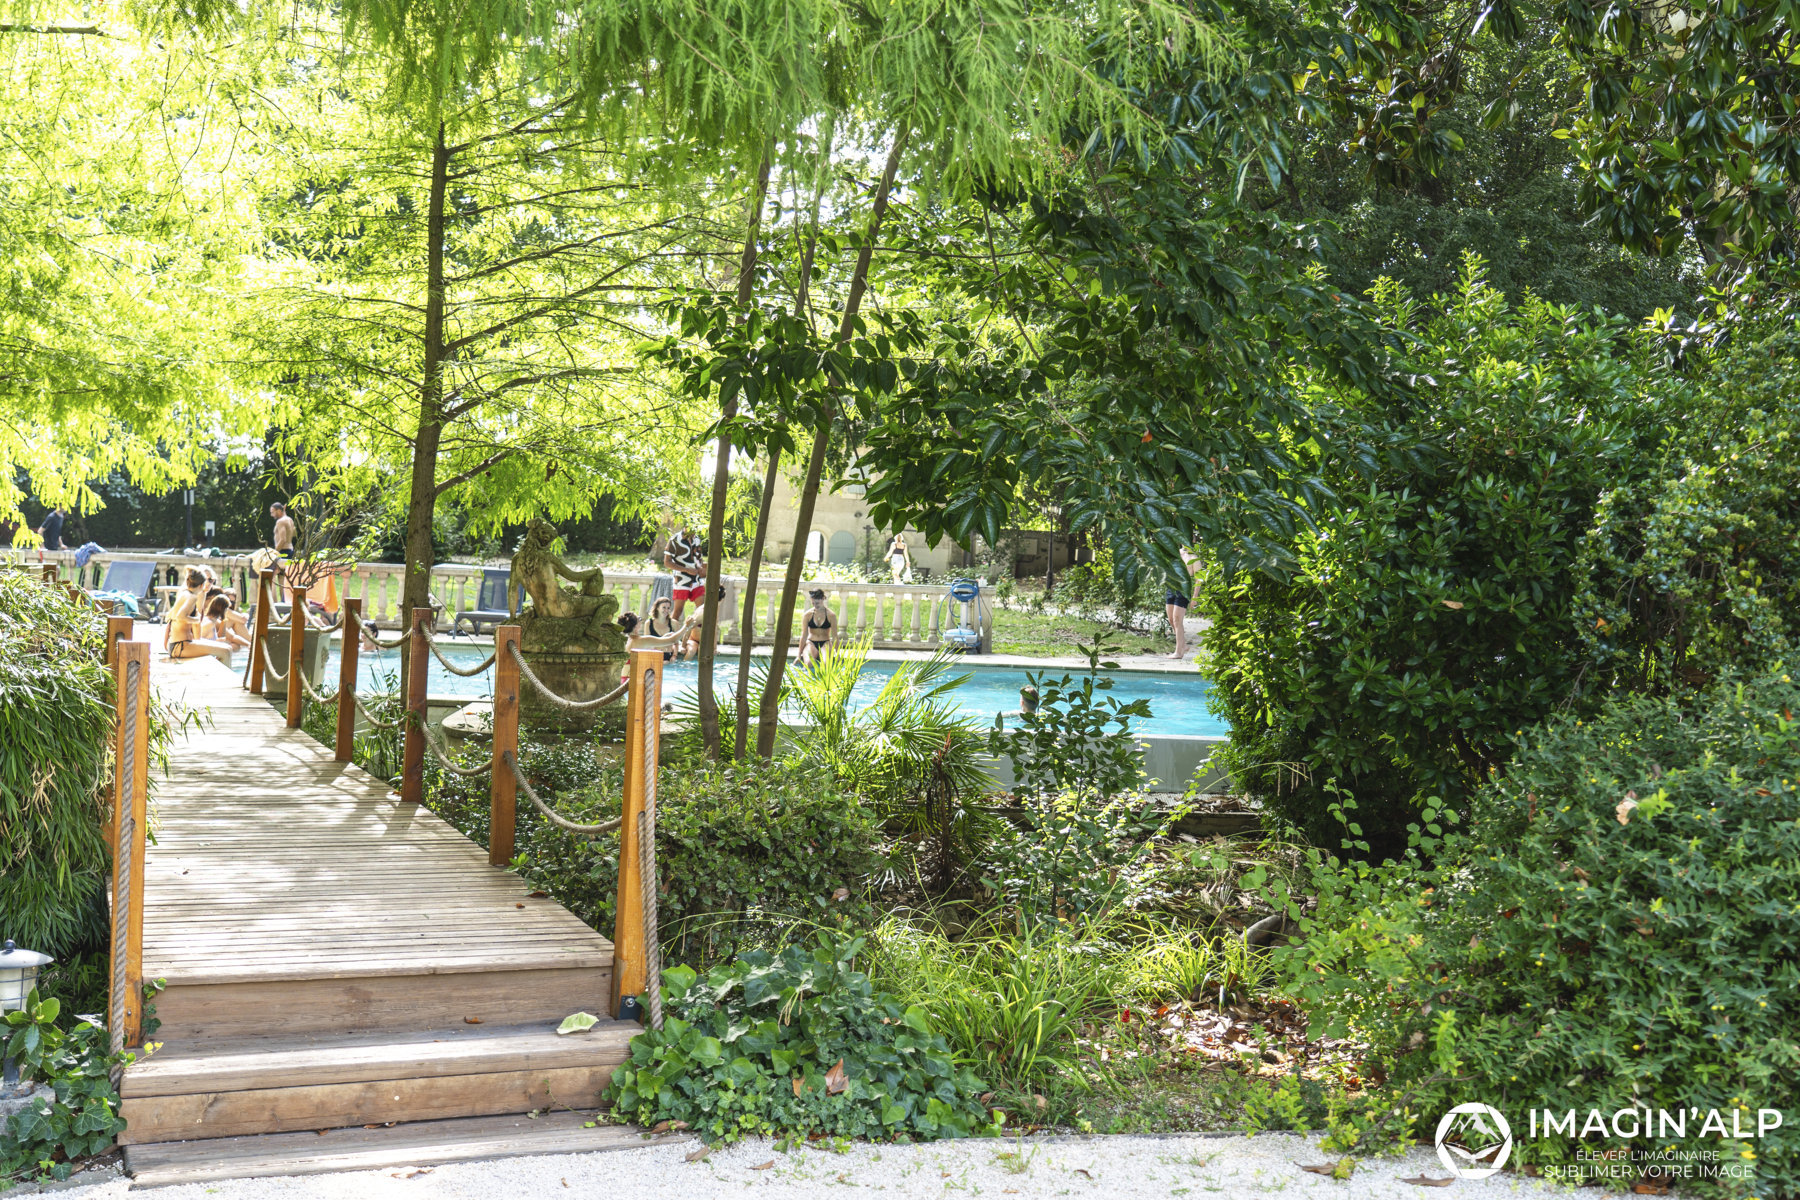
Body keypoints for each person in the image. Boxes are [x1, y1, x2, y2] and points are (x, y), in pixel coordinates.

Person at [164, 568, 234, 664]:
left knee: (228, 648)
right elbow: (180, 616)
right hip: (180, 646)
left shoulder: (186, 594)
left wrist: (201, 642)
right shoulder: (191, 597)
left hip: (181, 644)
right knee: (226, 652)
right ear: (201, 585)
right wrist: (196, 620)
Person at [663, 523, 704, 620]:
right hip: (681, 580)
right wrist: (687, 570)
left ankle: (696, 630)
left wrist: (700, 567)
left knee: (702, 610)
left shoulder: (697, 539)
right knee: (678, 612)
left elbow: (699, 558)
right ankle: (670, 630)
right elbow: (667, 562)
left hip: (696, 580)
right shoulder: (674, 540)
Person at [1166, 547, 1200, 659]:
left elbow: (1199, 579)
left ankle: (1178, 652)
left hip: (1183, 590)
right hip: (1171, 587)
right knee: (1171, 619)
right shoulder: (1176, 553)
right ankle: (1183, 645)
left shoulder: (1194, 558)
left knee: (1177, 620)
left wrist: (1195, 597)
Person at [799, 588, 837, 665]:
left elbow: (835, 636)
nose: (815, 605)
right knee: (808, 663)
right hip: (811, 643)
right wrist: (799, 655)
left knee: (826, 664)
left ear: (823, 599)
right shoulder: (807, 615)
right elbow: (804, 635)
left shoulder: (831, 615)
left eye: (817, 603)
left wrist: (838, 653)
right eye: (813, 603)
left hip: (825, 643)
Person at [644, 596, 685, 661]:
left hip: (669, 656)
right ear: (657, 608)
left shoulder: (674, 623)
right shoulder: (648, 623)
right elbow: (647, 643)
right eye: (664, 607)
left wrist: (674, 656)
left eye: (668, 608)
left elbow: (676, 643)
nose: (666, 610)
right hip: (653, 655)